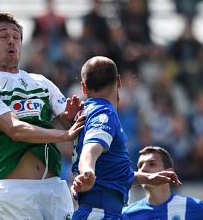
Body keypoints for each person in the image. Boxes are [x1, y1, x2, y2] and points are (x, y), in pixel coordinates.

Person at [0, 12, 85, 219]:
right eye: (3, 36)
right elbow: (15, 129)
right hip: (16, 192)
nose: (11, 41)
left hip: (55, 189)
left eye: (16, 36)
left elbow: (72, 124)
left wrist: (70, 117)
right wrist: (62, 135)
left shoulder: (41, 82)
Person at [70, 56, 182, 219]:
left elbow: (113, 174)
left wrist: (149, 178)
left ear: (84, 88)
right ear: (118, 82)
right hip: (100, 213)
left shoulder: (87, 112)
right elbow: (90, 149)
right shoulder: (104, 113)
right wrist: (87, 171)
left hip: (104, 212)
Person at [122, 146, 203, 219]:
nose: (143, 169)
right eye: (140, 165)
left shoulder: (195, 208)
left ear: (169, 173)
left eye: (152, 164)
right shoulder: (127, 214)